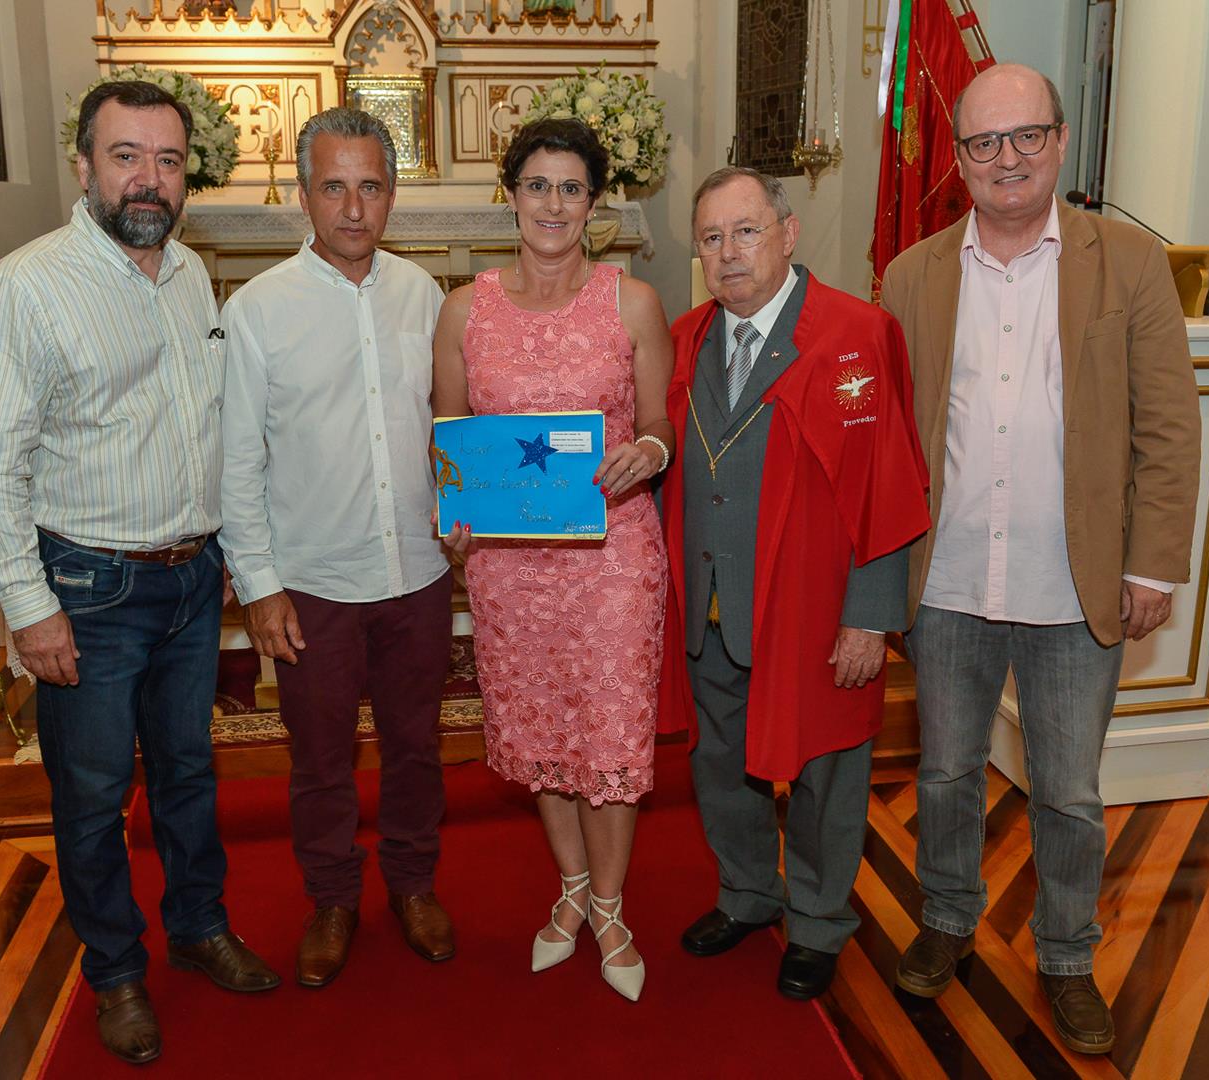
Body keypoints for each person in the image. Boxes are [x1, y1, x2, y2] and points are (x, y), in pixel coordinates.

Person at [0, 80, 279, 1066]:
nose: (150, 177)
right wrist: (27, 602)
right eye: (127, 155)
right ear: (85, 166)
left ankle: (199, 926)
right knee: (93, 796)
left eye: (169, 161)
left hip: (187, 579)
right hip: (88, 590)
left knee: (187, 772)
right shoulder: (28, 286)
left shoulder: (185, 274)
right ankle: (117, 972)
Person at [879, 63, 1200, 1056]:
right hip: (950, 579)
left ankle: (1067, 956)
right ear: (959, 161)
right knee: (943, 774)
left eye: (1025, 138)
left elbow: (1169, 425)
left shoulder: (1132, 263)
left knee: (1066, 790)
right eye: (983, 143)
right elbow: (890, 437)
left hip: (1076, 581)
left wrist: (1153, 563)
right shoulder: (911, 276)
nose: (1006, 160)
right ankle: (945, 915)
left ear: (1060, 143)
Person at [657, 166, 930, 1001]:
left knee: (824, 777)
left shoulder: (857, 332)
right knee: (722, 766)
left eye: (745, 231)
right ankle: (746, 894)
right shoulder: (685, 337)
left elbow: (891, 482)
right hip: (708, 608)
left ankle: (817, 922)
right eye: (711, 238)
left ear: (788, 232)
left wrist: (870, 618)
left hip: (814, 612)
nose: (729, 253)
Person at [431, 117, 674, 1002]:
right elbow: (449, 438)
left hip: (612, 552)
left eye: (572, 188)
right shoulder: (464, 309)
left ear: (595, 203)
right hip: (509, 566)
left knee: (606, 732)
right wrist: (453, 512)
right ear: (511, 193)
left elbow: (659, 425)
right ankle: (570, 889)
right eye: (538, 185)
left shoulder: (631, 302)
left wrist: (649, 454)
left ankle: (610, 906)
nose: (553, 204)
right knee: (541, 731)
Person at [220, 107, 456, 990]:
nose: (353, 208)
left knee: (417, 746)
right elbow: (238, 461)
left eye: (370, 187)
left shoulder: (423, 294)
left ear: (391, 194)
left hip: (417, 574)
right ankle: (330, 899)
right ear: (305, 197)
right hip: (312, 581)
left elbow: (447, 426)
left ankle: (413, 884)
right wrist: (261, 586)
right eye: (334, 187)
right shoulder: (258, 311)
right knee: (320, 758)